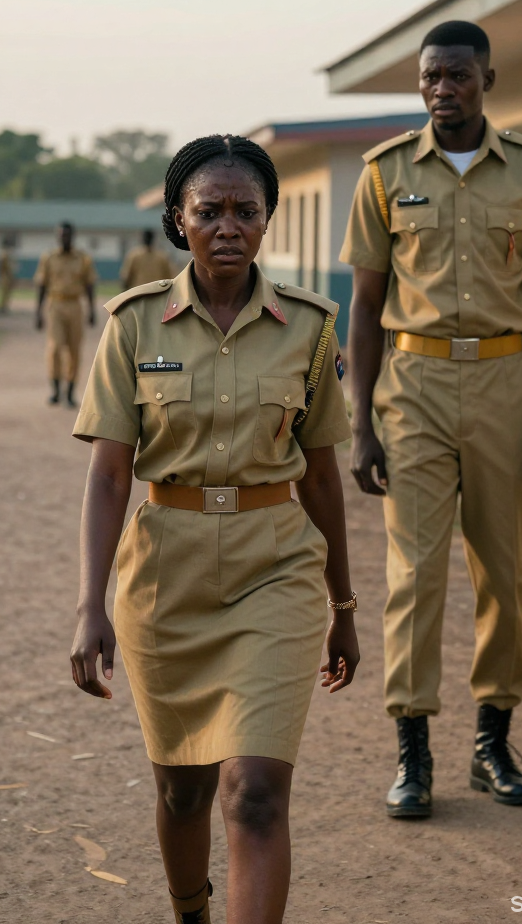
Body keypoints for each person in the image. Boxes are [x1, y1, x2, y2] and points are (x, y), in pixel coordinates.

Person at [69, 134, 359, 924]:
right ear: (178, 219)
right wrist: (90, 605)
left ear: (267, 221)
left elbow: (324, 478)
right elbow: (108, 475)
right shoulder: (133, 326)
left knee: (256, 793)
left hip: (278, 570)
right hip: (167, 577)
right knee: (183, 787)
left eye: (246, 210)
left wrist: (344, 609)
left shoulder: (311, 327)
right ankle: (190, 912)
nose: (229, 225)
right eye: (210, 210)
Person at [341, 20, 522, 818]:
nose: (443, 89)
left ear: (488, 80)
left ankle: (492, 743)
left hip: (509, 386)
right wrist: (361, 423)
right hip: (413, 388)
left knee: (504, 572)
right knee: (413, 574)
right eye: (431, 77)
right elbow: (365, 307)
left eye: (458, 76)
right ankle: (413, 753)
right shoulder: (382, 175)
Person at [34, 221, 97, 407]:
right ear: (57, 236)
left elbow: (90, 284)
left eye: (67, 235)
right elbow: (42, 284)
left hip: (75, 305)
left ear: (73, 236)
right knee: (55, 347)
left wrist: (92, 309)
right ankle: (55, 389)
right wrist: (38, 311)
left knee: (74, 349)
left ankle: (70, 391)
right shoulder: (49, 258)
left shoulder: (82, 259)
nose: (64, 238)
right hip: (56, 304)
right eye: (61, 235)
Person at [0, 239, 17, 313]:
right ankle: (3, 306)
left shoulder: (6, 255)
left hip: (7, 276)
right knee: (4, 292)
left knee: (7, 292)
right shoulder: (4, 255)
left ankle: (4, 306)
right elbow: (4, 266)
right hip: (5, 276)